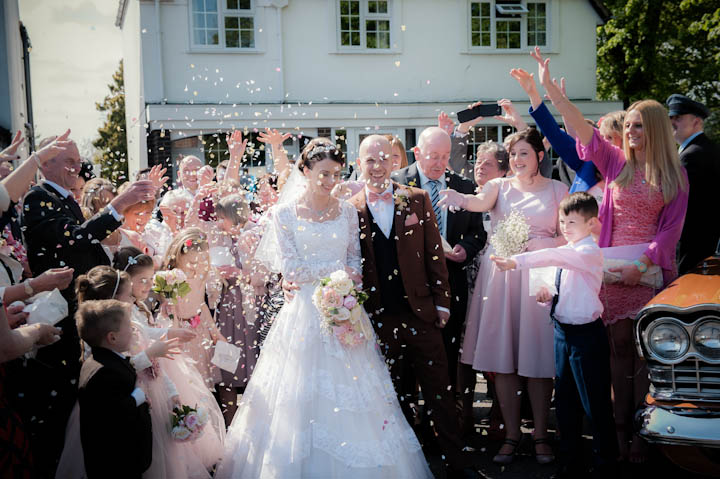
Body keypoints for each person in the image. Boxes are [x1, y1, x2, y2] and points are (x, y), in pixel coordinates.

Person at [217, 137, 433, 478]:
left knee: (360, 394)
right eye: (323, 174)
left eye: (336, 174)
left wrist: (346, 286)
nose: (331, 181)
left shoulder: (347, 210)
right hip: (303, 312)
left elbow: (355, 261)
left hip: (346, 308)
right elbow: (291, 269)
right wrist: (333, 276)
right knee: (298, 394)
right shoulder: (284, 214)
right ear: (305, 171)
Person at [536, 49, 688, 463]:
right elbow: (582, 130)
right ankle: (615, 436)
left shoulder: (674, 174)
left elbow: (670, 230)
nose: (631, 131)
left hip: (648, 272)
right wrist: (550, 91)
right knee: (614, 350)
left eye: (639, 126)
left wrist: (642, 266)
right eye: (630, 125)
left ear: (655, 129)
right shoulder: (615, 161)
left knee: (643, 355)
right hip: (608, 269)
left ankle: (642, 433)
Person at [14, 134, 157, 475]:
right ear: (43, 163)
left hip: (76, 317)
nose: (75, 165)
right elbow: (73, 242)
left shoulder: (64, 199)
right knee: (57, 413)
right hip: (56, 321)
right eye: (66, 159)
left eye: (77, 158)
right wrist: (118, 204)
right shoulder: (38, 197)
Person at [350, 135, 480, 477]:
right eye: (370, 160)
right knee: (392, 395)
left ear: (395, 162)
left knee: (440, 390)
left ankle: (456, 462)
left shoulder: (417, 199)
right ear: (359, 163)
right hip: (377, 318)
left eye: (383, 159)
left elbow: (435, 255)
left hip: (422, 314)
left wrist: (443, 303)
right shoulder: (351, 208)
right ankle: (403, 464)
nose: (378, 166)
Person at [439, 127, 568, 465]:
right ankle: (511, 436)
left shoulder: (558, 189)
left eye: (523, 152)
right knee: (504, 359)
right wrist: (460, 199)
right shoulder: (499, 186)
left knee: (538, 359)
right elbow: (478, 202)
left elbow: (569, 235)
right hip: (502, 278)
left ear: (540, 156)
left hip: (537, 276)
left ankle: (541, 435)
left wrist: (540, 245)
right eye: (512, 155)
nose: (516, 159)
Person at [491, 192, 618, 477]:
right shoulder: (569, 250)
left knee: (594, 404)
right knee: (565, 403)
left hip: (586, 336)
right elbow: (562, 287)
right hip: (562, 332)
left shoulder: (586, 251)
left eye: (572, 222)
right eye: (562, 220)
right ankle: (570, 463)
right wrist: (547, 296)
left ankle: (605, 465)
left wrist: (515, 261)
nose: (565, 227)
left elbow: (553, 255)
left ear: (591, 223)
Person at [391, 127, 486, 395]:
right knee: (408, 359)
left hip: (450, 278)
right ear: (417, 153)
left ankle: (444, 419)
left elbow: (477, 233)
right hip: (408, 284)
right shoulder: (397, 183)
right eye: (433, 156)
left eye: (445, 156)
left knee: (447, 352)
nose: (440, 163)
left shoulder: (464, 186)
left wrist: (465, 249)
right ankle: (411, 417)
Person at [75, 299, 153, 479]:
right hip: (117, 463)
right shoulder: (105, 372)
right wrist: (138, 397)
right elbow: (115, 415)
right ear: (112, 337)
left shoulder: (104, 359)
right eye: (128, 326)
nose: (134, 330)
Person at [212, 195, 259, 425]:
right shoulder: (219, 239)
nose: (219, 223)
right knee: (226, 365)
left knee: (254, 365)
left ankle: (253, 425)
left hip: (250, 309)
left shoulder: (255, 235)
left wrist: (240, 274)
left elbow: (265, 275)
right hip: (226, 309)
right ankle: (229, 425)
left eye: (222, 218)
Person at [161, 228, 225, 390]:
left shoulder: (201, 274)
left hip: (198, 330)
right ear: (178, 256)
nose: (196, 267)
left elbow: (200, 304)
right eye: (192, 263)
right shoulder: (170, 278)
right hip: (179, 330)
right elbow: (172, 309)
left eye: (201, 262)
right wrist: (175, 335)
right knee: (184, 378)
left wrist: (214, 331)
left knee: (201, 377)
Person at [666, 93, 720, 273]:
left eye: (678, 118)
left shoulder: (693, 155)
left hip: (695, 247)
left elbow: (687, 210)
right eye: (671, 117)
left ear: (696, 121)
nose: (672, 122)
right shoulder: (701, 149)